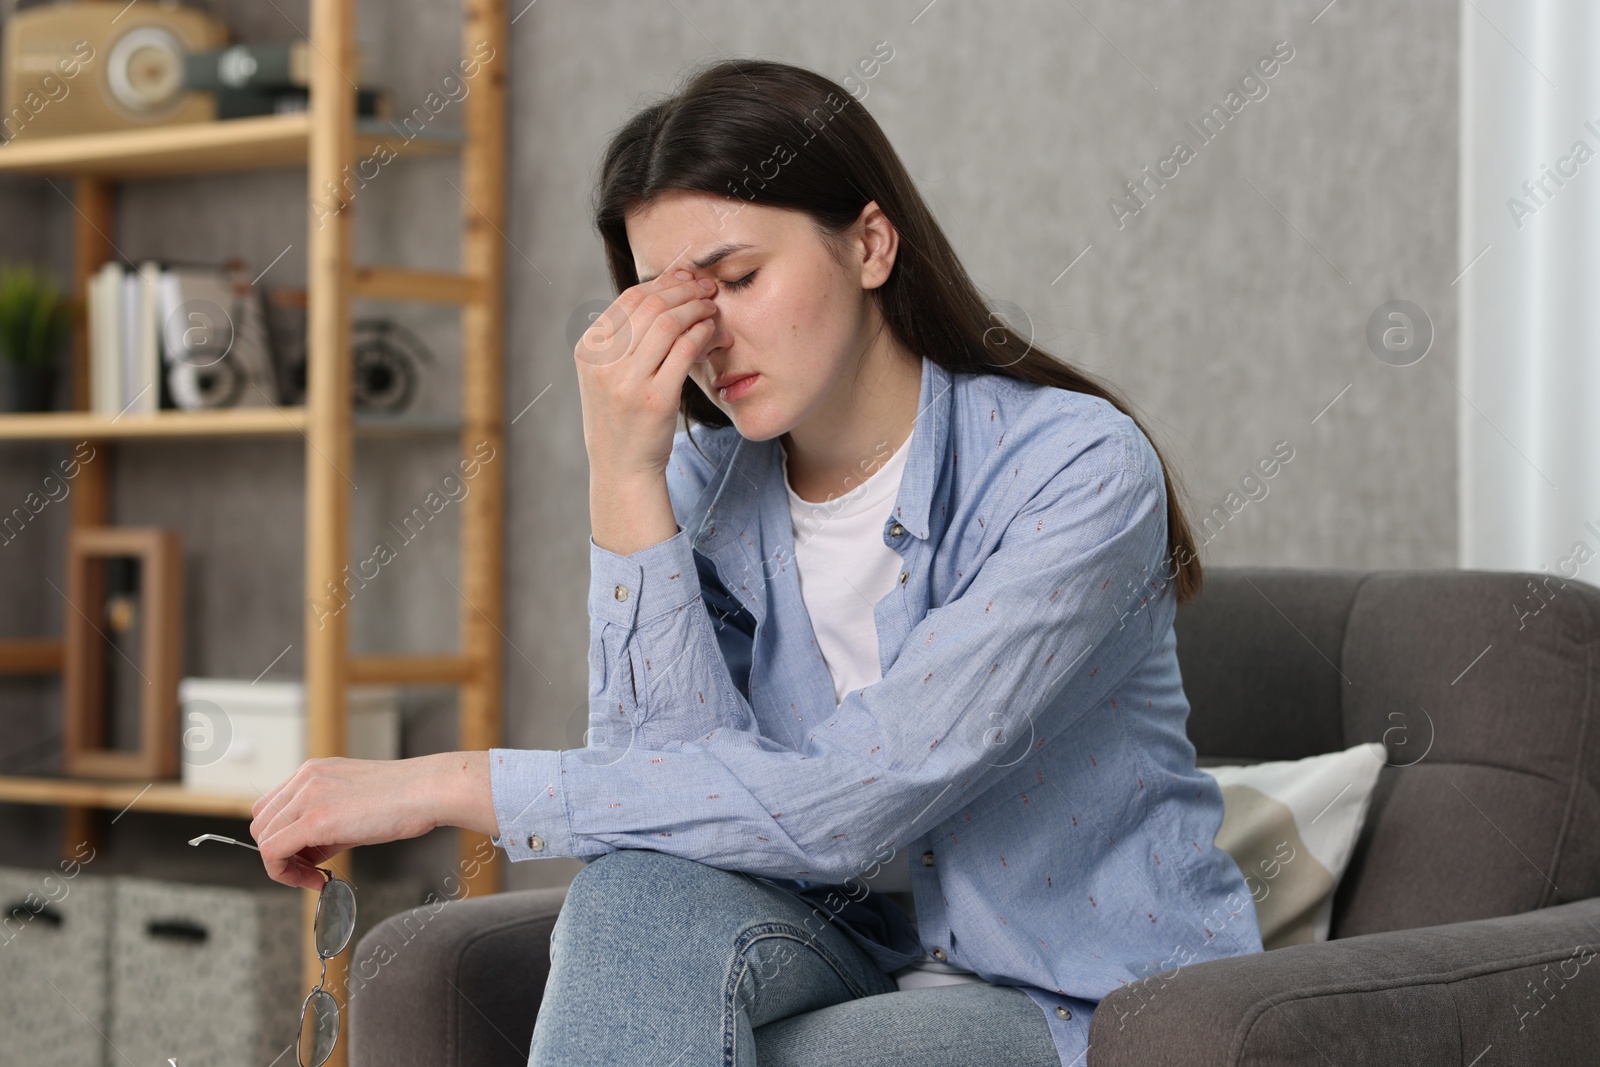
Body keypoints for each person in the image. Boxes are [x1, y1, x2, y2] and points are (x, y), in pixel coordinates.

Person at [248, 57, 1265, 1067]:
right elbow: (666, 808)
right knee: (634, 897)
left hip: (1071, 997)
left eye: (738, 278)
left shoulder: (1073, 469)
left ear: (869, 244)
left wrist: (447, 783)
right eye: (668, 301)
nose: (706, 335)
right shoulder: (704, 482)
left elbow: (856, 795)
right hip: (842, 944)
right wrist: (623, 476)